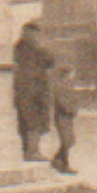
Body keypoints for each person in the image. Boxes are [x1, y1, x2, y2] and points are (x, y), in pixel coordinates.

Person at [12, 21, 56, 161]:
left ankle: (27, 151)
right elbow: (51, 60)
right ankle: (33, 152)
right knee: (35, 122)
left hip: (21, 90)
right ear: (34, 34)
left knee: (25, 121)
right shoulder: (38, 49)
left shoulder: (17, 48)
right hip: (36, 89)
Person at [50, 64, 80, 175]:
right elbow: (61, 101)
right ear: (67, 74)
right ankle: (60, 162)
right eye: (72, 73)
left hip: (67, 116)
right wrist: (70, 110)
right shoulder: (60, 85)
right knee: (67, 141)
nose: (73, 75)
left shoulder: (67, 85)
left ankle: (60, 163)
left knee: (69, 140)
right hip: (62, 116)